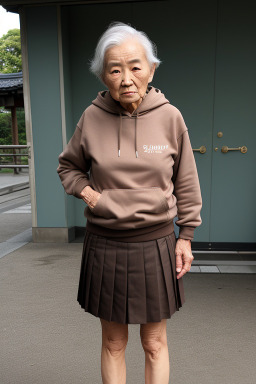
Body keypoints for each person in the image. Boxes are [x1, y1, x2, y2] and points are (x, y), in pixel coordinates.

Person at [57, 21, 202, 384]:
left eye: (135, 66)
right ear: (103, 75)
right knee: (113, 342)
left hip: (156, 243)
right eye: (115, 69)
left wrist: (186, 236)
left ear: (151, 68)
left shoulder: (171, 117)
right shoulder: (91, 117)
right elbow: (68, 167)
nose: (126, 78)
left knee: (154, 343)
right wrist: (88, 192)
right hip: (105, 242)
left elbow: (186, 181)